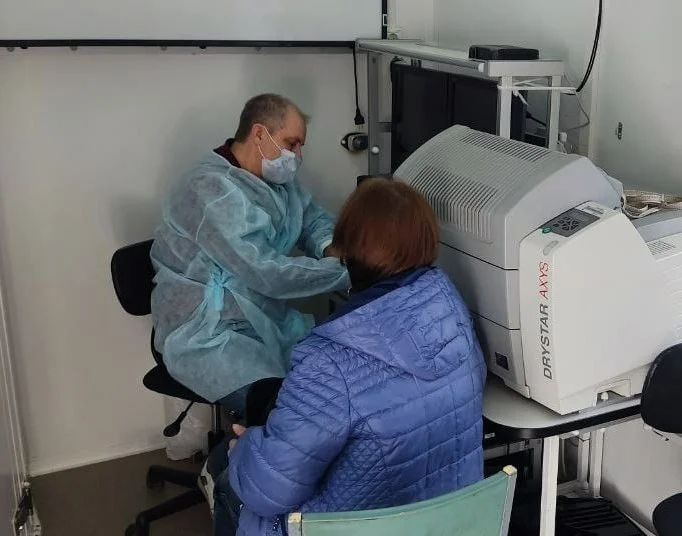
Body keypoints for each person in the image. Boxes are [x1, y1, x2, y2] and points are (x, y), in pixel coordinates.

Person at [214, 178, 487, 536]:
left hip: (355, 528)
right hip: (450, 525)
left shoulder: (328, 360)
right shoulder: (451, 311)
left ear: (347, 253)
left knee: (227, 476)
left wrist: (244, 448)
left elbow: (269, 491)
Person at [150, 93, 349, 412]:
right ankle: (238, 446)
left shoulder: (278, 184)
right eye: (292, 143)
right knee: (286, 410)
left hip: (265, 319)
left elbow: (311, 219)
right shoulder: (211, 190)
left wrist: (330, 247)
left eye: (300, 146)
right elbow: (267, 272)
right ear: (259, 133)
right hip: (210, 334)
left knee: (333, 382)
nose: (297, 156)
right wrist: (347, 271)